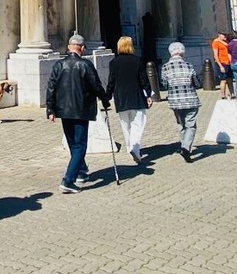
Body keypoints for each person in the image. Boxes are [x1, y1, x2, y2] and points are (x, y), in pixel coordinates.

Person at [46, 33, 108, 193]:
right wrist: (105, 100)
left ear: (69, 47)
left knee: (73, 143)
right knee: (80, 145)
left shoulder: (59, 65)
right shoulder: (85, 65)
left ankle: (81, 171)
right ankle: (68, 180)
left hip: (64, 110)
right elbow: (96, 85)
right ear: (82, 48)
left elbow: (51, 87)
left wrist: (50, 109)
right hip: (81, 110)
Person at [106, 36, 153, 164]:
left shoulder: (113, 62)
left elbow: (111, 81)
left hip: (121, 97)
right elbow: (143, 79)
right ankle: (135, 148)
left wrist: (107, 97)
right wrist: (148, 95)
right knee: (138, 124)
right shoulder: (137, 60)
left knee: (125, 125)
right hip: (136, 95)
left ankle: (129, 148)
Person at [159, 42, 201, 163]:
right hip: (190, 98)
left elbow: (164, 84)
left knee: (180, 123)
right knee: (191, 125)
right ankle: (186, 148)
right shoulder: (189, 65)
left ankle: (184, 145)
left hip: (175, 100)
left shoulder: (165, 67)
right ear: (182, 52)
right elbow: (196, 82)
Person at [211, 31, 234, 99]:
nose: (225, 36)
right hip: (222, 63)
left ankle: (232, 94)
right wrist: (220, 66)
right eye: (223, 35)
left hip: (228, 63)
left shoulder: (226, 42)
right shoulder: (216, 42)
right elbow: (215, 55)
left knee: (230, 79)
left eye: (226, 35)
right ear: (219, 35)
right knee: (223, 80)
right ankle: (223, 95)